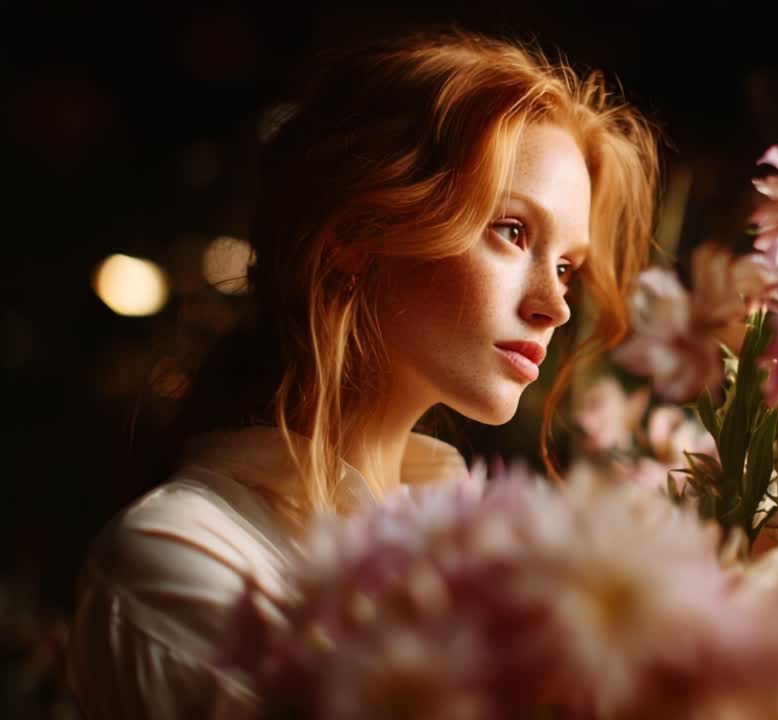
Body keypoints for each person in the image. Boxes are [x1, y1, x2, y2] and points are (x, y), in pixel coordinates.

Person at [66, 31, 659, 718]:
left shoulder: (485, 551)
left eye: (566, 267)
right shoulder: (184, 562)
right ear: (354, 233)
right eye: (513, 232)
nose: (555, 305)